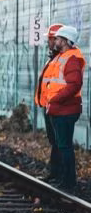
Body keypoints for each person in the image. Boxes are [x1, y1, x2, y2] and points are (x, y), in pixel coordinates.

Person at [36, 24, 84, 190]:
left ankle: (68, 182)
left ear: (64, 40)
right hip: (57, 108)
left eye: (57, 38)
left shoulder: (71, 58)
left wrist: (55, 99)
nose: (54, 40)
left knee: (64, 146)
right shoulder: (61, 56)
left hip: (65, 109)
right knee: (59, 144)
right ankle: (57, 175)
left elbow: (74, 84)